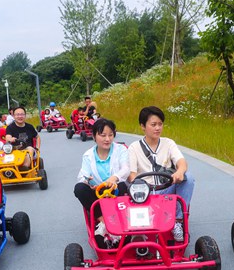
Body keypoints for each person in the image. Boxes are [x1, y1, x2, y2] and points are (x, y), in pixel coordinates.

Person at [127, 106, 193, 242]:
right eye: (153, 125)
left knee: (188, 178)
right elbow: (131, 174)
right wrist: (141, 186)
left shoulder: (168, 143)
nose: (157, 128)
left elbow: (181, 161)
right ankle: (139, 232)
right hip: (145, 193)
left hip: (166, 189)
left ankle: (177, 221)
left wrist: (180, 171)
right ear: (143, 126)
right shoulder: (134, 147)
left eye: (160, 124)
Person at [74, 118, 130, 248]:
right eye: (103, 135)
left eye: (110, 135)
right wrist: (88, 182)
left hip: (116, 192)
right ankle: (102, 220)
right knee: (79, 188)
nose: (107, 139)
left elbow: (126, 169)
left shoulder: (120, 150)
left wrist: (114, 178)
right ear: (94, 136)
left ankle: (119, 221)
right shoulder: (88, 155)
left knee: (122, 185)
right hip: (98, 194)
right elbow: (82, 175)